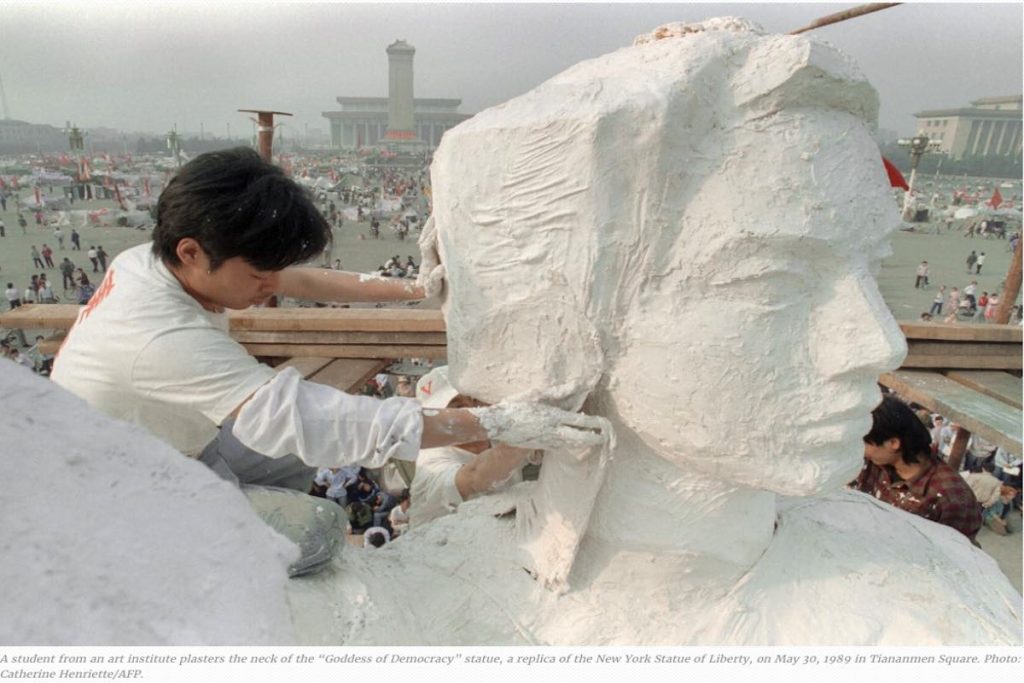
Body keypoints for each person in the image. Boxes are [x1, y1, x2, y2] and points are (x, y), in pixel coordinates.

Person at [281, 20, 1019, 646]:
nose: (880, 342)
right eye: (774, 282)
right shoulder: (407, 620)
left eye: (869, 265)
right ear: (557, 315)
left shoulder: (951, 597)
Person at [50, 148, 606, 488]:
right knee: (310, 536)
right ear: (193, 251)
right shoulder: (161, 337)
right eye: (260, 276)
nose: (272, 289)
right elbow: (311, 419)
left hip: (172, 431)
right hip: (122, 479)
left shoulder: (156, 258)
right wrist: (494, 424)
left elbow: (302, 278)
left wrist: (415, 288)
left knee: (295, 463)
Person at [408, 366, 533, 527]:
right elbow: (474, 477)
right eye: (458, 407)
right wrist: (526, 434)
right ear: (436, 419)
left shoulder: (494, 436)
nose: (474, 410)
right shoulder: (431, 459)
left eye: (474, 400)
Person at [851, 395, 982, 541]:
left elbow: (959, 554)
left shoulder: (952, 497)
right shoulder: (871, 464)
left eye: (863, 443)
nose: (858, 449)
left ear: (893, 443)